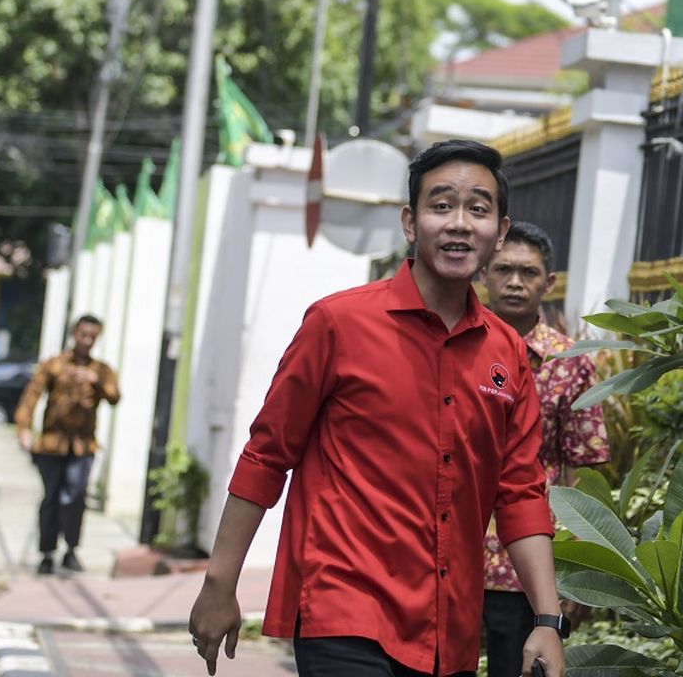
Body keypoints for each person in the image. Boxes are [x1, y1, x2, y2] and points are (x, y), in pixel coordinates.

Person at [188, 140, 567, 677]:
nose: (459, 223)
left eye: (477, 209)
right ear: (411, 223)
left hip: (448, 628)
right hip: (342, 607)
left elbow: (521, 493)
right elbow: (266, 455)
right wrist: (219, 583)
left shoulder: (509, 356)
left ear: (499, 232)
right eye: (442, 206)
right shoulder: (337, 324)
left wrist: (547, 621)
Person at [479, 222, 609, 677]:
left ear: (549, 281)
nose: (515, 282)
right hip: (447, 557)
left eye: (528, 273)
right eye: (504, 270)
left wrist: (580, 571)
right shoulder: (455, 345)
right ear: (483, 273)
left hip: (525, 568)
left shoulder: (569, 361)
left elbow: (582, 472)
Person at [14, 314, 121, 575]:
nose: (86, 341)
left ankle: (71, 549)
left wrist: (97, 382)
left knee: (74, 496)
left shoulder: (100, 370)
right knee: (51, 497)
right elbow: (31, 395)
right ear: (74, 334)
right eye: (83, 335)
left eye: (92, 337)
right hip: (52, 444)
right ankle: (47, 553)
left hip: (83, 446)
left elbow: (115, 396)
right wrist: (24, 428)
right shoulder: (55, 364)